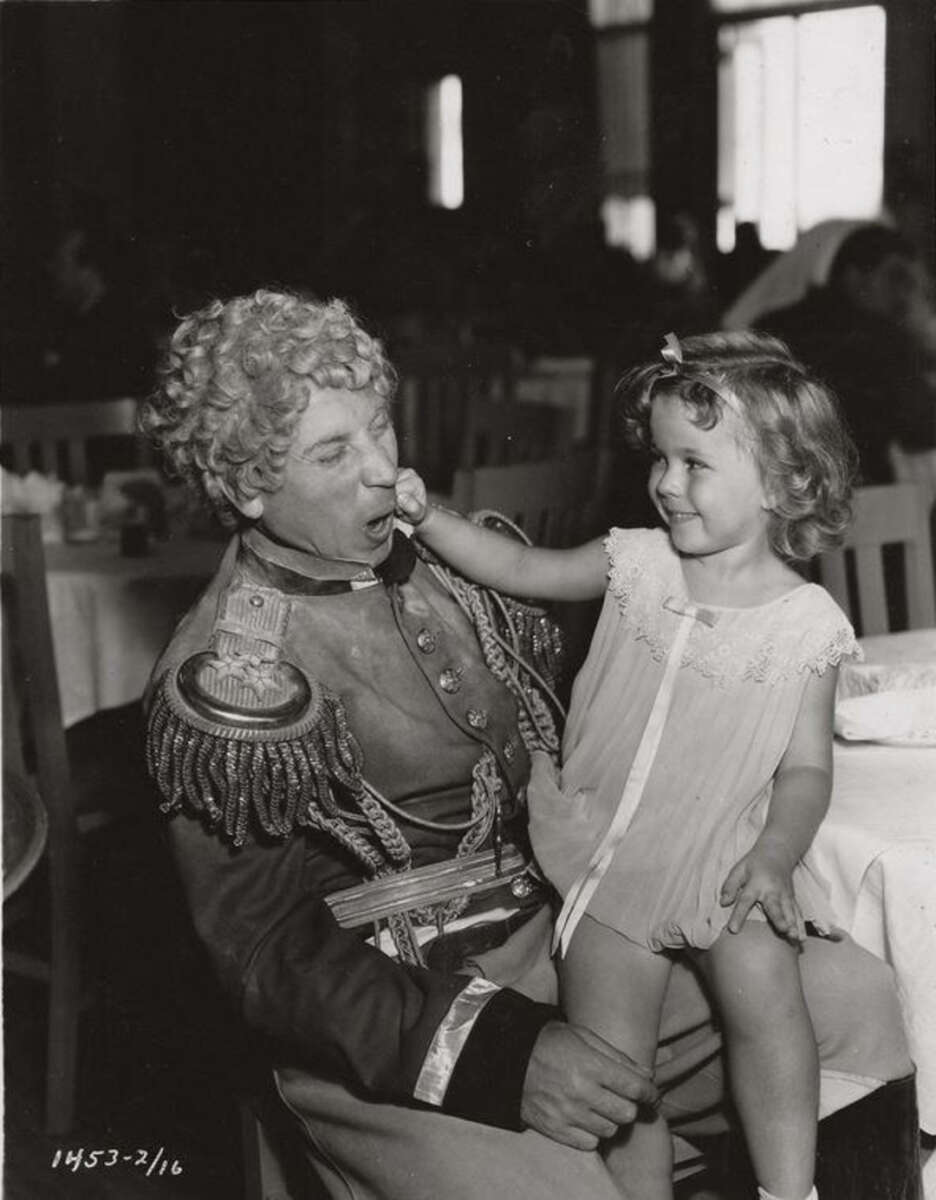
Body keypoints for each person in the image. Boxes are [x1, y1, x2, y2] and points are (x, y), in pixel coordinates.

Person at [139, 291, 920, 1200]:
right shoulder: (232, 682)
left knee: (860, 1006)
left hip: (569, 929)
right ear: (244, 486)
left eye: (381, 428)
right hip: (397, 1020)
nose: (383, 470)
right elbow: (269, 955)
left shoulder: (448, 555)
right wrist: (504, 1055)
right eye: (333, 453)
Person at [396, 330, 907, 1200]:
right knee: (618, 1069)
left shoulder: (807, 623)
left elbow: (808, 772)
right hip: (612, 856)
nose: (667, 483)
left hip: (726, 859)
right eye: (661, 459)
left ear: (785, 480)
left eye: (695, 463)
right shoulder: (635, 562)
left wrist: (775, 856)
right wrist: (428, 515)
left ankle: (791, 1192)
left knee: (769, 1004)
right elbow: (520, 567)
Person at [728, 222, 936, 484]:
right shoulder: (881, 338)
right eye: (895, 277)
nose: (904, 294)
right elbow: (922, 428)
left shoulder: (772, 322)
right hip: (859, 495)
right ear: (854, 277)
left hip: (778, 486)